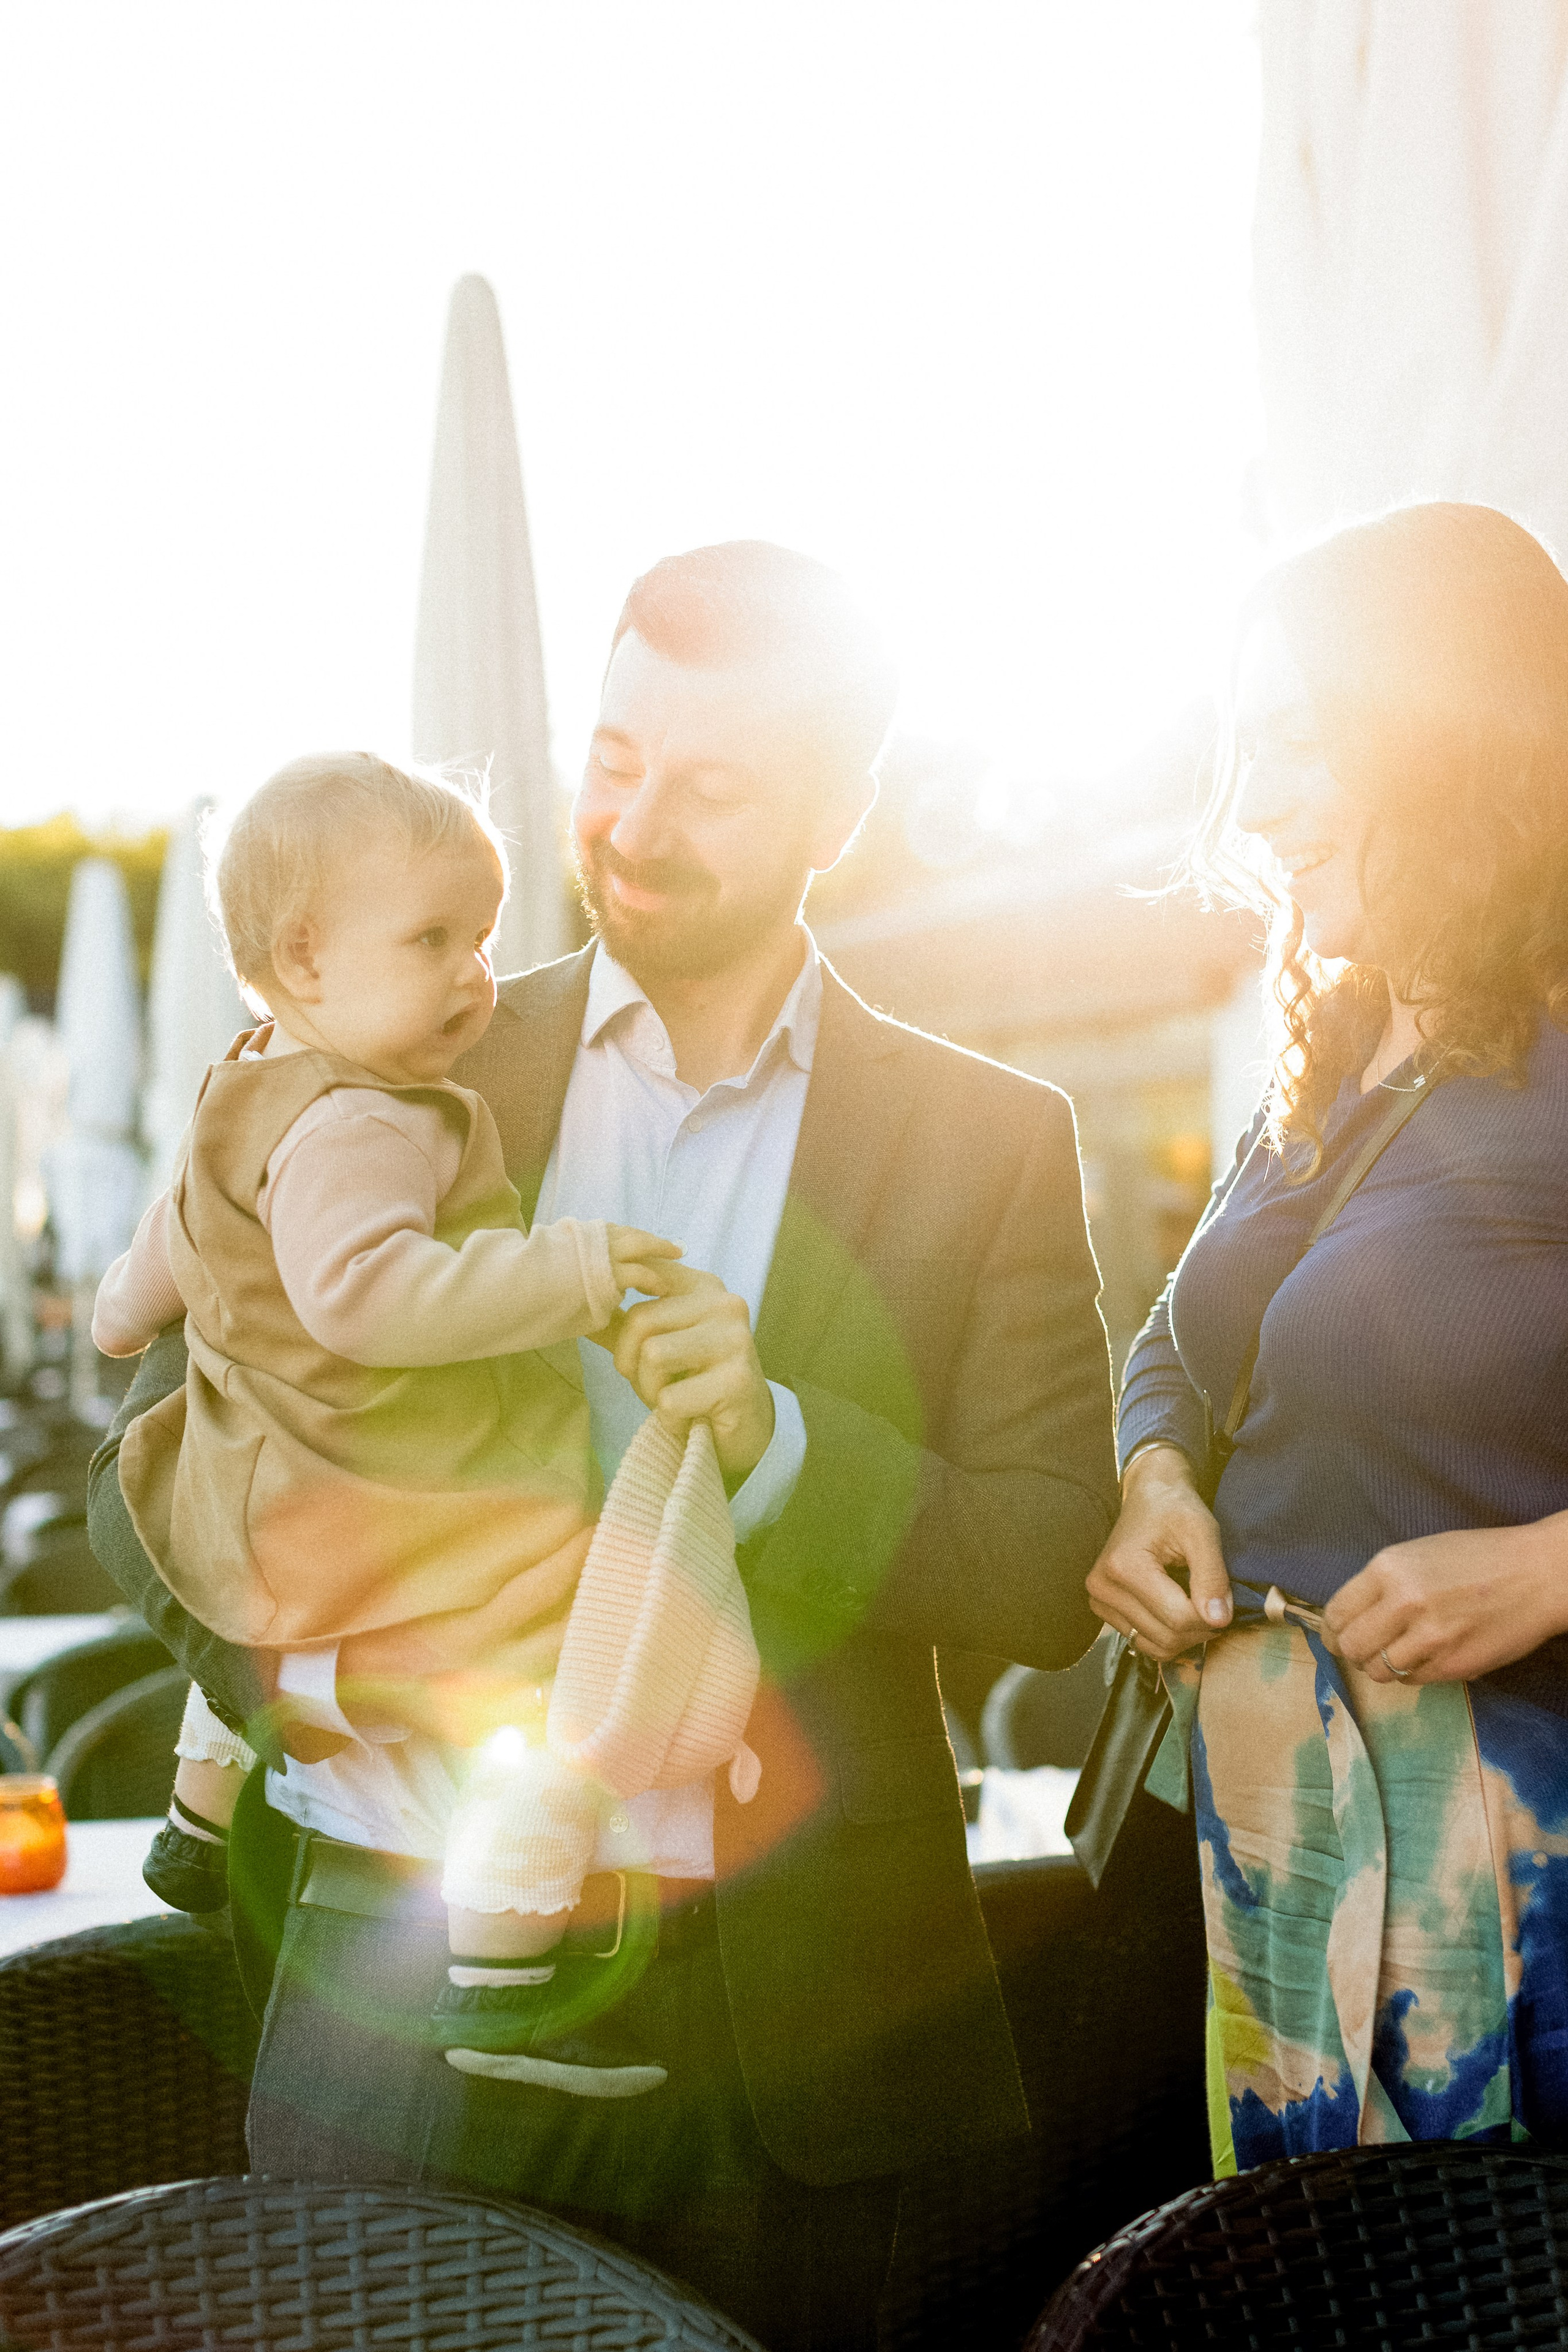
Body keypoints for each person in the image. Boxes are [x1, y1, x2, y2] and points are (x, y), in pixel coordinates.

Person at [89, 540, 1118, 2352]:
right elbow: (149, 1461)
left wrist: (781, 1444)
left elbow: (1044, 1561)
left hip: (802, 2054)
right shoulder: (381, 1043)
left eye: (709, 787)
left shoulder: (994, 1138)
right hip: (392, 2006)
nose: (633, 825)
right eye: (616, 757)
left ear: (835, 812)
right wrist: (308, 1678)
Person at [89, 750, 760, 2087]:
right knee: (547, 1676)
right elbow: (364, 1296)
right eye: (434, 939)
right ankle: (502, 1972)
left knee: (285, 1616)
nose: (477, 974)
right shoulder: (367, 1120)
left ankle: (199, 1820)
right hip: (374, 1497)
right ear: (305, 956)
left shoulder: (245, 1084)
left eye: (485, 937)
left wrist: (127, 1312)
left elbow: (149, 1270)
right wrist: (570, 1271)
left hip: (246, 1498)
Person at [1089, 502, 1568, 2176]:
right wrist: (1155, 1479)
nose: (1257, 805)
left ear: (1446, 741)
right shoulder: (1341, 1047)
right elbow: (1181, 1338)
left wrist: (1549, 1569)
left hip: (1514, 1903)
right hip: (1269, 1872)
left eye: (1302, 743)